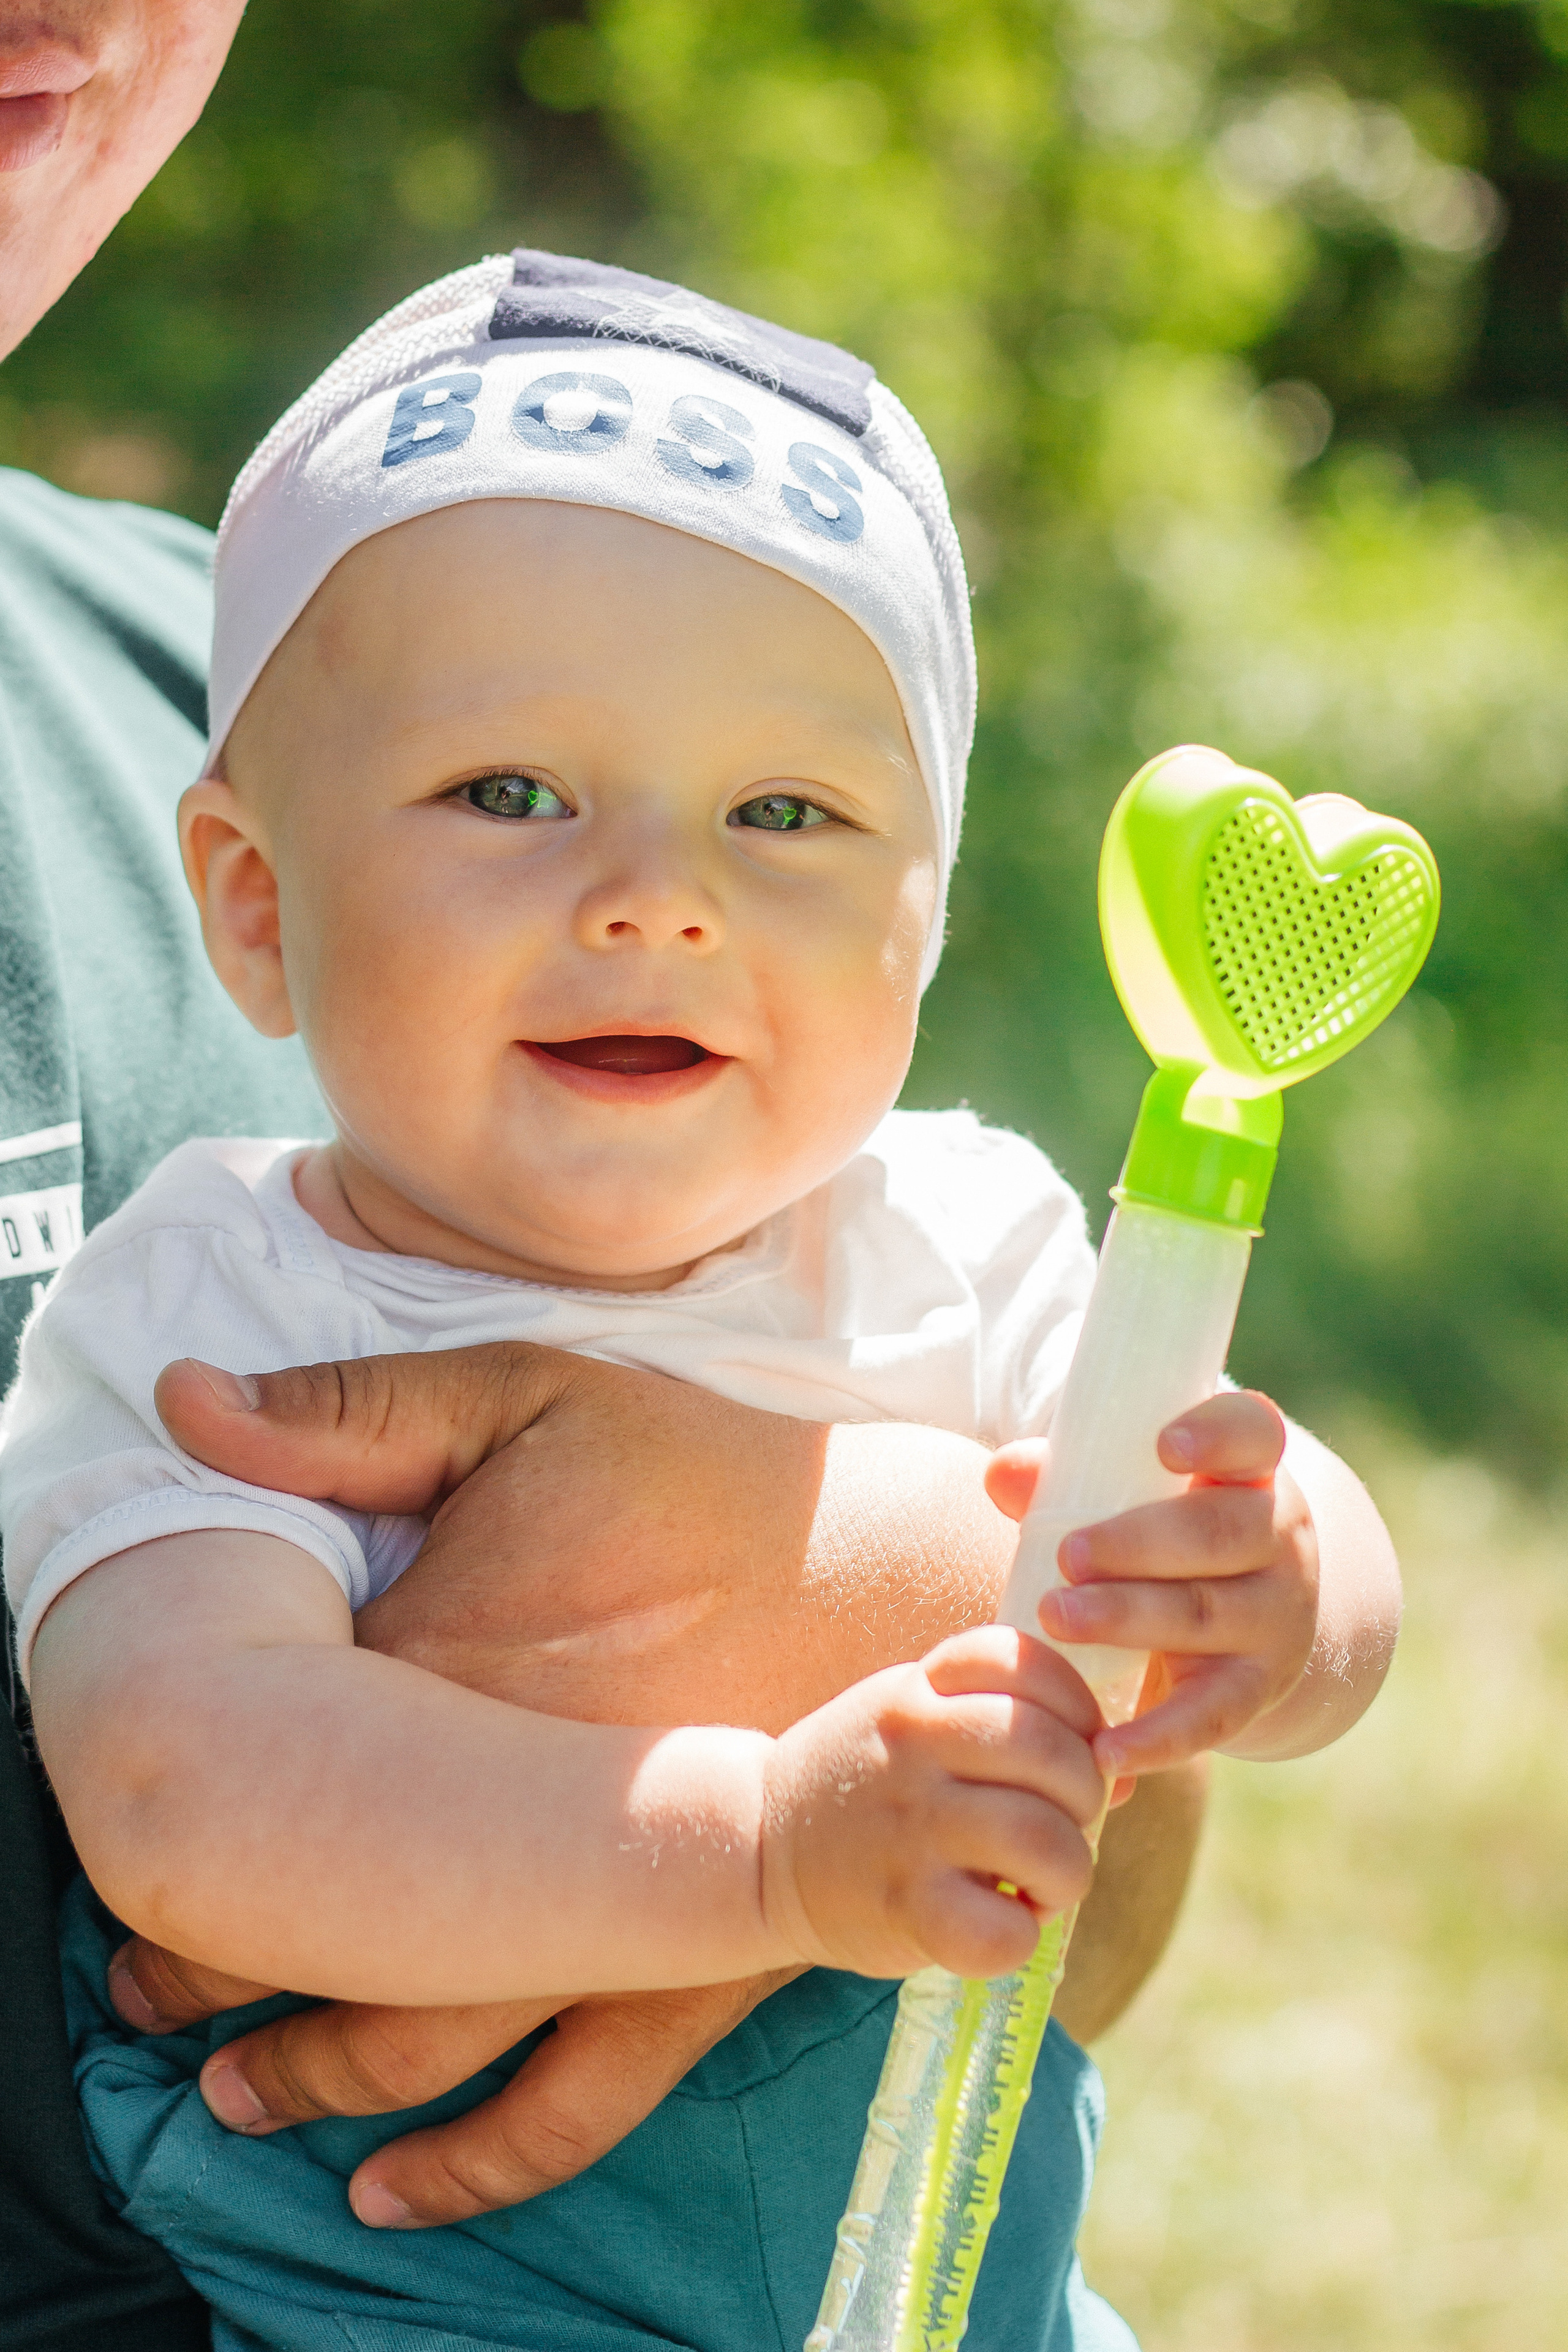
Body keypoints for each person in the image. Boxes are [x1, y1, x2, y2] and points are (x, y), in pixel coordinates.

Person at [3, 250, 1401, 2352]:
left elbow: (1262, 1641)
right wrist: (760, 1852)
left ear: (925, 921)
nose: (656, 892)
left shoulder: (976, 1238)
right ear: (255, 906)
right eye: (511, 793)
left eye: (786, 813)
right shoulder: (231, 1307)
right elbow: (195, 1792)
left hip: (966, 2272)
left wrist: (1284, 1586)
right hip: (418, 2293)